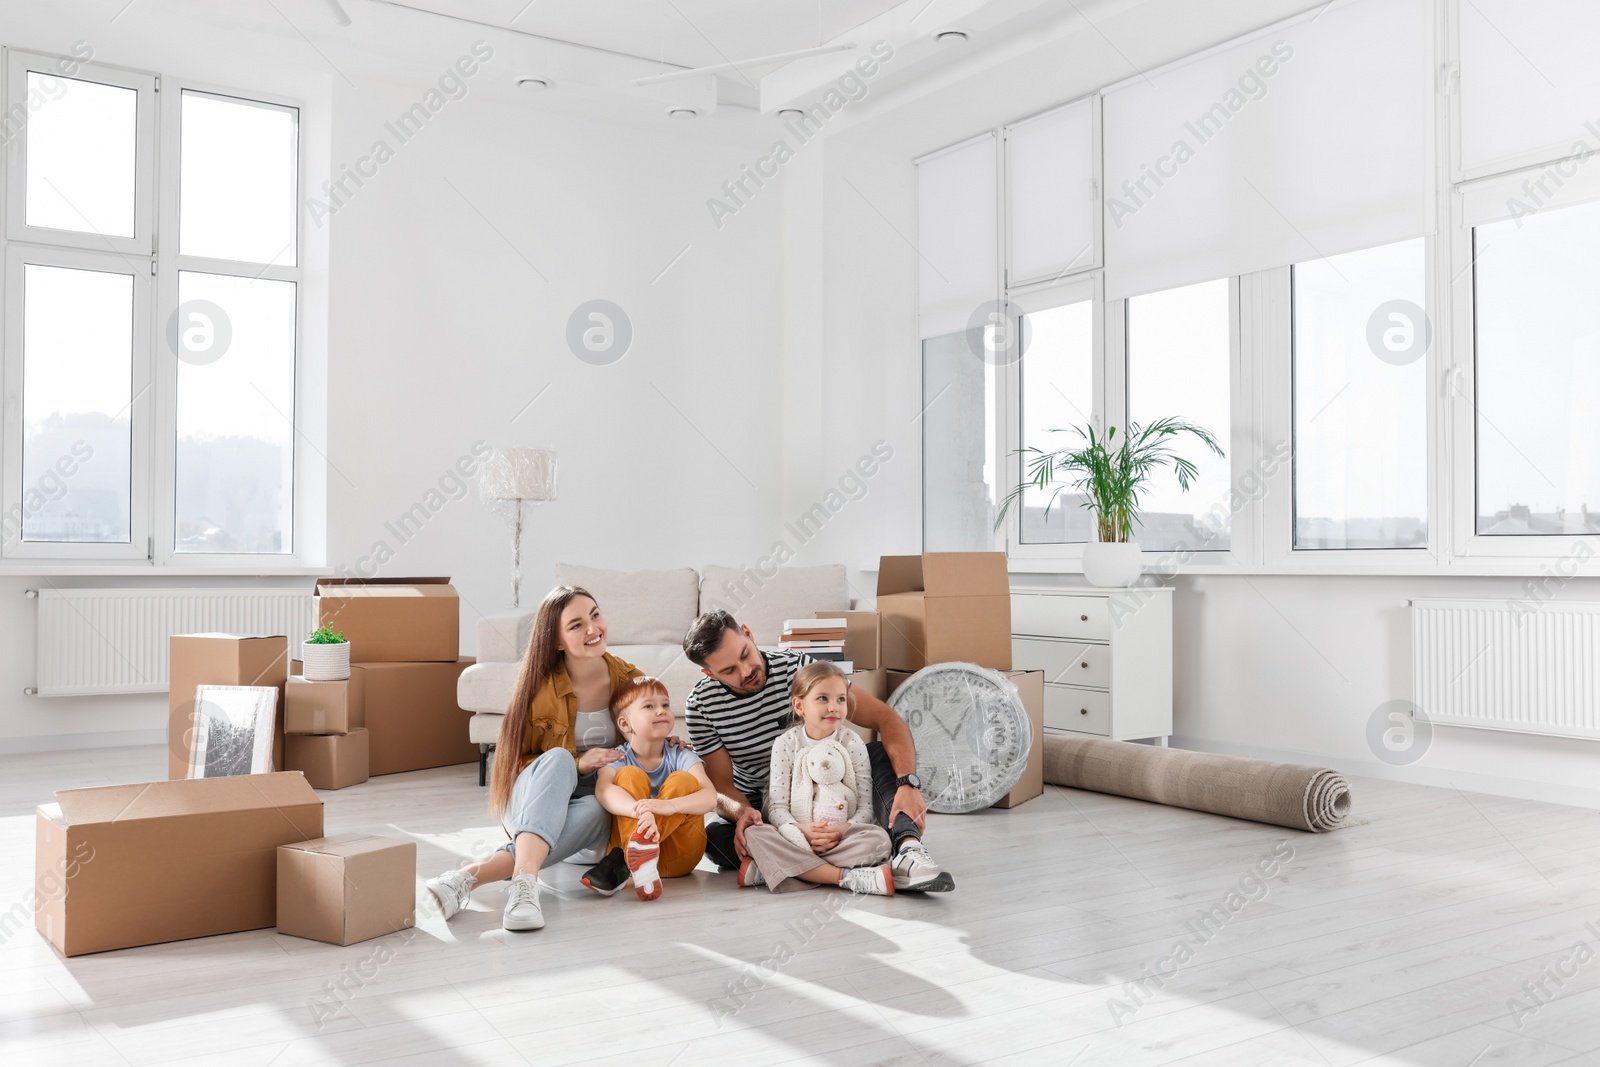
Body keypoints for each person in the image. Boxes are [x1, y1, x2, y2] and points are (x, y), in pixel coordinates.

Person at [682, 610, 954, 892]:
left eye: (745, 654)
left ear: (749, 634)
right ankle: (842, 870)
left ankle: (907, 850)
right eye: (728, 671)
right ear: (709, 673)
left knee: (880, 755)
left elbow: (886, 719)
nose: (745, 671)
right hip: (764, 801)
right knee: (714, 838)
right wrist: (746, 817)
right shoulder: (700, 705)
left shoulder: (800, 669)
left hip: (833, 786)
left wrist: (908, 782)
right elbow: (721, 785)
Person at [425, 585, 642, 931]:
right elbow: (513, 765)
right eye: (576, 625)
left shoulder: (631, 682)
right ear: (556, 641)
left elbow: (649, 750)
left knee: (602, 806)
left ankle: (465, 879)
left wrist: (666, 742)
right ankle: (525, 886)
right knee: (557, 759)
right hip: (529, 803)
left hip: (579, 820)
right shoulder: (539, 690)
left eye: (595, 615)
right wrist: (577, 764)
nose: (593, 628)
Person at [738, 661, 893, 894]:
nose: (834, 707)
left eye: (841, 699)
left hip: (840, 838)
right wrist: (802, 830)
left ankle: (781, 869)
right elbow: (777, 807)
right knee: (754, 834)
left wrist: (840, 831)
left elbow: (866, 807)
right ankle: (844, 877)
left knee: (880, 840)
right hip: (797, 836)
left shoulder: (852, 743)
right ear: (799, 706)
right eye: (823, 698)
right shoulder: (785, 744)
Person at [581, 676, 718, 901]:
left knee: (683, 780)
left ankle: (634, 855)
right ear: (625, 724)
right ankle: (640, 857)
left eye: (665, 705)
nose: (661, 711)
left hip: (677, 859)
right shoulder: (618, 758)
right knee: (629, 775)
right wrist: (641, 810)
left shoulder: (681, 754)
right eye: (649, 706)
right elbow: (604, 791)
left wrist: (667, 806)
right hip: (632, 854)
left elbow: (710, 798)